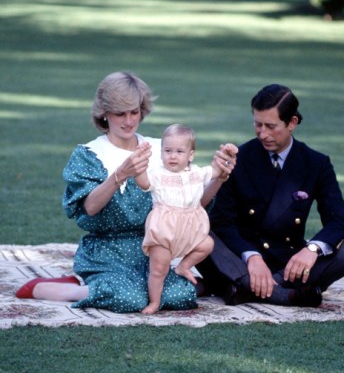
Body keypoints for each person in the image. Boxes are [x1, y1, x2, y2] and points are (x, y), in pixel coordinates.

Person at [15, 71, 235, 313]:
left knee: (181, 296)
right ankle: (71, 289)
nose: (129, 121)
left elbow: (192, 203)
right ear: (104, 114)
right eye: (120, 113)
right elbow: (89, 207)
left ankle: (126, 286)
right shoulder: (90, 154)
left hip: (151, 249)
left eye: (134, 112)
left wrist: (220, 178)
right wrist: (120, 174)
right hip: (106, 251)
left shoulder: (162, 149)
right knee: (129, 299)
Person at [196, 83, 344, 308]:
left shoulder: (316, 163)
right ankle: (282, 295)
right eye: (258, 124)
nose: (263, 134)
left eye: (271, 126)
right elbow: (221, 222)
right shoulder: (240, 158)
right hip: (241, 258)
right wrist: (251, 256)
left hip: (288, 263)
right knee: (198, 229)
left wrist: (311, 250)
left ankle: (241, 288)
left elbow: (339, 221)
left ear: (292, 122)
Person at [135, 124, 238, 314]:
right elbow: (143, 182)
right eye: (167, 151)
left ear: (190, 155)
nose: (172, 156)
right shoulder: (158, 174)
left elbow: (216, 171)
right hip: (163, 230)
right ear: (161, 152)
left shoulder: (197, 173)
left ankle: (184, 266)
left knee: (207, 244)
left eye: (179, 151)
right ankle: (154, 302)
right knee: (159, 268)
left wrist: (227, 151)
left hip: (190, 230)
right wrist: (139, 167)